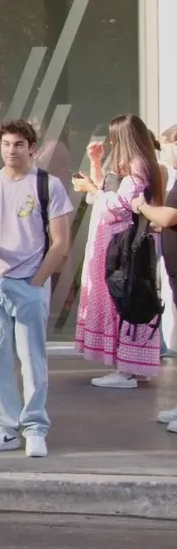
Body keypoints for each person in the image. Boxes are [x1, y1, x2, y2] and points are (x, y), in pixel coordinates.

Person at [0, 119, 73, 458]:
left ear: (32, 149)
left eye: (19, 145)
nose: (12, 150)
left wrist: (37, 281)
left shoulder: (47, 185)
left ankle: (35, 427)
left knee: (31, 359)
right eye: (7, 144)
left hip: (28, 283)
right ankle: (5, 428)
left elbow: (60, 243)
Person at [72, 114, 166, 388]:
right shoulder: (134, 164)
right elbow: (106, 196)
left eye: (115, 136)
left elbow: (121, 205)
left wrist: (92, 187)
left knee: (123, 295)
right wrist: (96, 166)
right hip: (118, 243)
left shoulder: (137, 165)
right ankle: (132, 367)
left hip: (122, 244)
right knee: (124, 294)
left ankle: (125, 370)